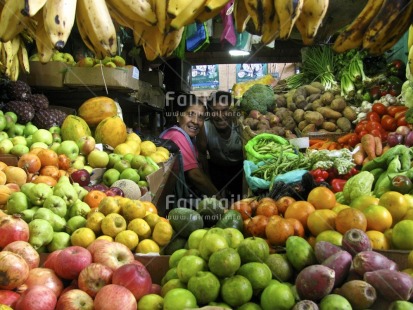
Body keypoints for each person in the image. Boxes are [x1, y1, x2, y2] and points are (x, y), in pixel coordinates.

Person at [160, 93, 222, 209]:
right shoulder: (176, 136)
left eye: (201, 117)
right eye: (190, 114)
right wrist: (220, 200)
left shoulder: (188, 138)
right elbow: (195, 175)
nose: (195, 121)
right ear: (178, 116)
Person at [197, 91, 244, 201]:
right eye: (215, 111)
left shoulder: (241, 126)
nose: (219, 116)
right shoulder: (205, 127)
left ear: (232, 111)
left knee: (240, 202)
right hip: (217, 169)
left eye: (224, 110)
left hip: (239, 170)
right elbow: (202, 155)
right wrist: (209, 184)